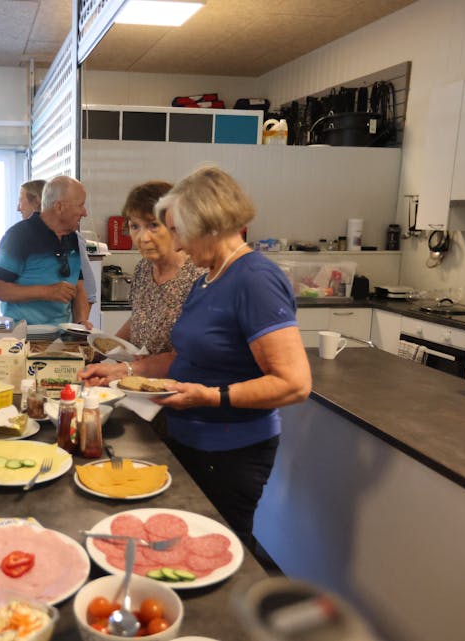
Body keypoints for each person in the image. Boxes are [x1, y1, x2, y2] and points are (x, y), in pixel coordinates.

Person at [80, 165, 311, 552]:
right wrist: (125, 368)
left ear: (208, 224)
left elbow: (295, 383)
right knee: (178, 548)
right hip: (190, 439)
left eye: (178, 231)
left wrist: (211, 397)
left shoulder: (255, 279)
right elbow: (183, 357)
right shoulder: (210, 277)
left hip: (230, 450)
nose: (180, 245)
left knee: (215, 551)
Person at [0, 175, 92, 327]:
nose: (84, 212)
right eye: (80, 205)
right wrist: (46, 292)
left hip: (62, 339)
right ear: (59, 207)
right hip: (23, 339)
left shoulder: (72, 237)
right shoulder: (19, 236)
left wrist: (81, 321)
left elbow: (79, 288)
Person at [115, 180, 203, 354]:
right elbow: (138, 320)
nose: (143, 238)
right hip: (138, 377)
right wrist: (101, 351)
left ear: (175, 224)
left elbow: (199, 348)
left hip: (179, 379)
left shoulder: (198, 274)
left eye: (153, 225)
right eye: (135, 226)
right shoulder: (143, 268)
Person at [17, 178, 97, 317]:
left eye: (21, 200)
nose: (18, 207)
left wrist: (77, 328)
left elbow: (88, 291)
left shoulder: (71, 238)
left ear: (36, 202)